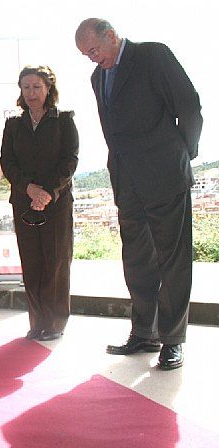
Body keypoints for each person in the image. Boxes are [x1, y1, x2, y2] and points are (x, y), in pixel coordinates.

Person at [75, 18, 202, 370]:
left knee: (173, 261)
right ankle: (144, 332)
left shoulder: (152, 56)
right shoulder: (97, 77)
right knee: (137, 260)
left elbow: (189, 105)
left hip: (165, 175)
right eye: (86, 54)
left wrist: (184, 153)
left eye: (94, 50)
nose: (91, 59)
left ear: (112, 36)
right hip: (127, 183)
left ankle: (173, 339)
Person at [0, 66, 79, 342]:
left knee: (55, 261)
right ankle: (37, 322)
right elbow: (7, 162)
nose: (31, 93)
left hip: (55, 203)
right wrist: (29, 189)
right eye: (26, 87)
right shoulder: (13, 124)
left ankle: (55, 323)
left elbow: (70, 161)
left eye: (37, 86)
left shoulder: (64, 120)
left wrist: (46, 192)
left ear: (48, 89)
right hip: (24, 201)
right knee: (32, 262)